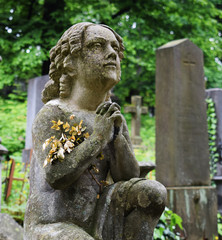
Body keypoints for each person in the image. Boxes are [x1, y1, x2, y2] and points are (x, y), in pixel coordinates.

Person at [24, 22, 166, 240]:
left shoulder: (111, 115)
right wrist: (98, 137)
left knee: (152, 192)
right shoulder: (54, 114)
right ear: (70, 63)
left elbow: (128, 177)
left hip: (100, 215)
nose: (111, 54)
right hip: (54, 222)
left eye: (114, 49)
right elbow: (55, 176)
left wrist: (117, 139)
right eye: (97, 46)